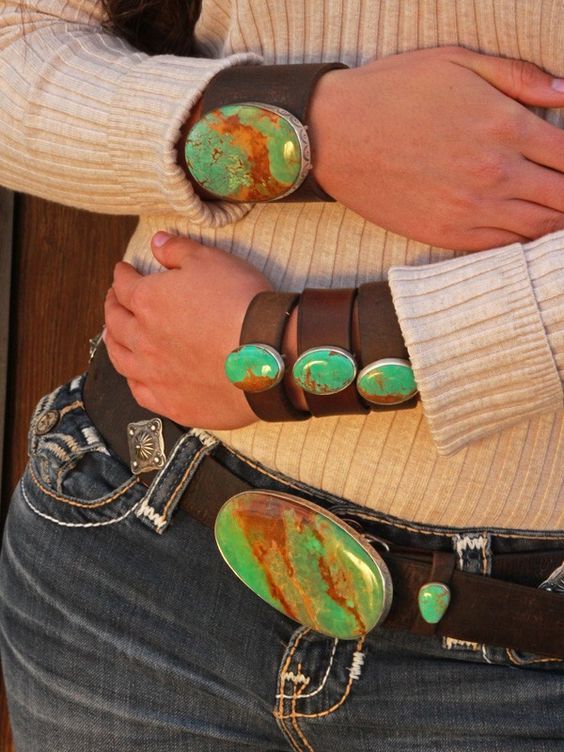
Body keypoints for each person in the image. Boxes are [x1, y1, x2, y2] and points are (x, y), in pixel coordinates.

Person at [0, 1, 563, 750]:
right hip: (131, 557)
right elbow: (19, 36)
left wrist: (292, 353)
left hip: (522, 659)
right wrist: (312, 129)